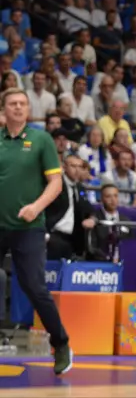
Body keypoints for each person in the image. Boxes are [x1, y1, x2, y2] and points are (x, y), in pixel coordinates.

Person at [0, 88, 72, 374]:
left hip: (29, 226)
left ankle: (61, 342)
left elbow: (55, 184)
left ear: (28, 109)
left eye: (22, 104)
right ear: (3, 109)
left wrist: (35, 206)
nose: (18, 108)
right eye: (12, 104)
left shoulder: (41, 139)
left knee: (33, 286)